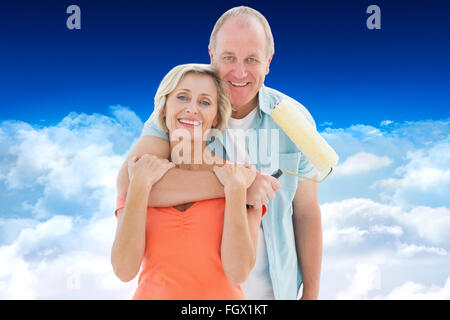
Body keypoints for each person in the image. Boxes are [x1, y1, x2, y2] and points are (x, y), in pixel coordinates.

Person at [116, 6, 322, 300]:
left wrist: (311, 294)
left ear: (268, 62)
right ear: (212, 56)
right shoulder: (185, 115)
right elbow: (130, 183)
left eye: (251, 59)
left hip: (278, 290)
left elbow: (306, 213)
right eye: (229, 58)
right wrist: (240, 183)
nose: (239, 72)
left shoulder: (295, 119)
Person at [111, 64, 265, 299]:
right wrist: (141, 185)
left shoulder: (241, 178)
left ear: (216, 118)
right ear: (164, 109)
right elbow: (124, 270)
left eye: (204, 102)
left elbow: (238, 272)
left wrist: (234, 190)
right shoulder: (140, 175)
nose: (192, 109)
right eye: (182, 97)